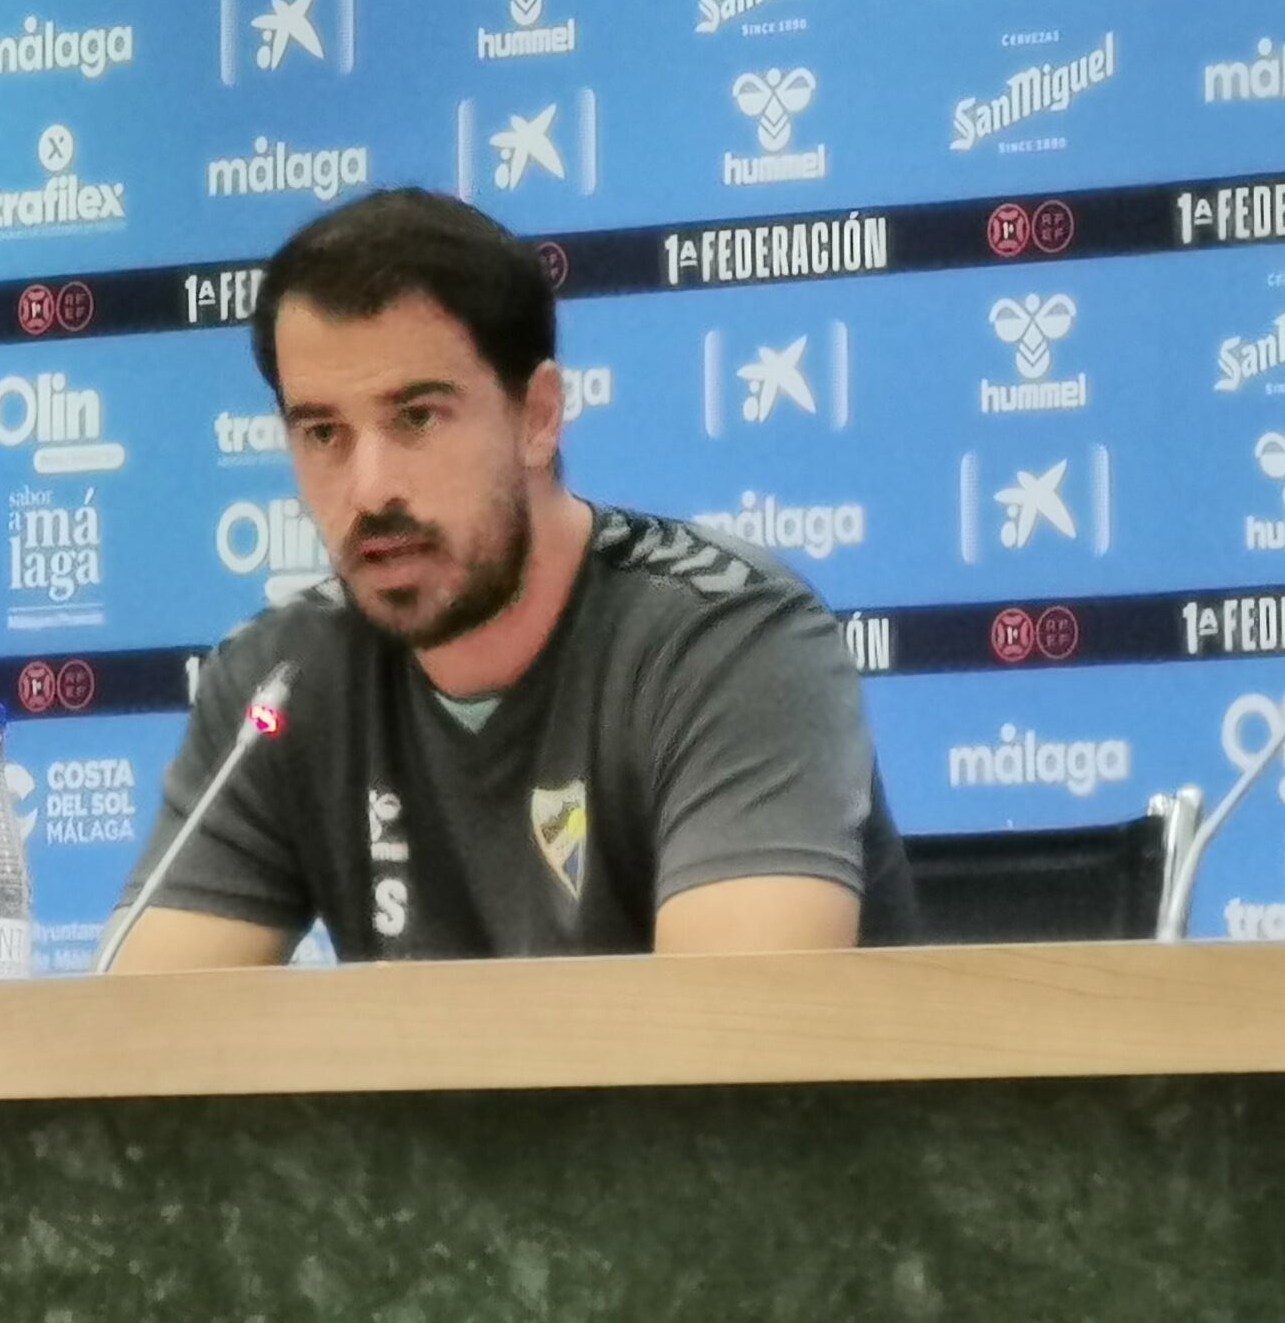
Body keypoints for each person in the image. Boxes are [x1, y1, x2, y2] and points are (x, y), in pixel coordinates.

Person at [108, 186, 910, 965]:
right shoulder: (279, 686)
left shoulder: (728, 645)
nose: (369, 489)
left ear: (538, 417)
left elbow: (737, 1032)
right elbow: (142, 1034)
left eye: (416, 418)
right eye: (323, 433)